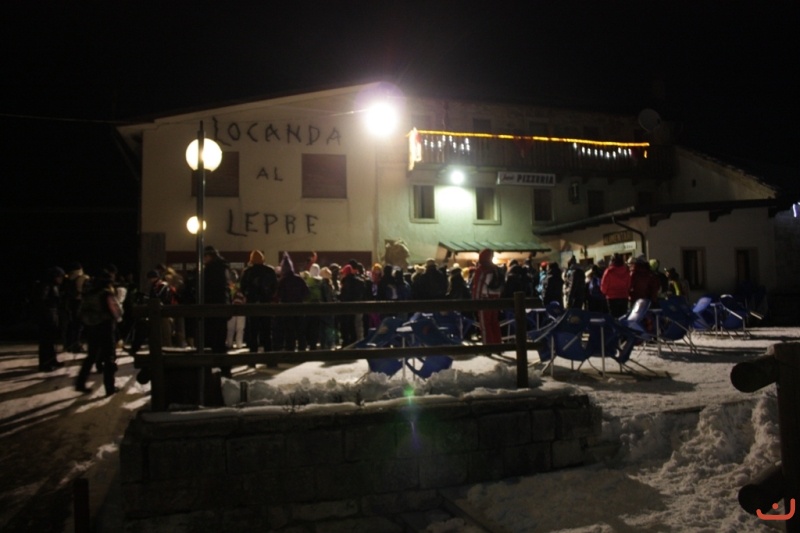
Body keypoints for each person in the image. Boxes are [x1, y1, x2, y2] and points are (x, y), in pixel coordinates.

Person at [75, 271, 123, 396]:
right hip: (106, 327)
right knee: (109, 358)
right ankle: (110, 387)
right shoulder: (107, 294)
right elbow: (117, 312)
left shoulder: (89, 293)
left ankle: (80, 382)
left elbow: (80, 312)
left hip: (91, 328)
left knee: (91, 356)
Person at [239, 250, 277, 355]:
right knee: (267, 330)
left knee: (253, 331)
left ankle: (253, 354)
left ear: (251, 260)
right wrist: (269, 296)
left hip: (252, 303)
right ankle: (269, 354)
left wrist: (248, 296)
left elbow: (243, 287)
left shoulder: (247, 272)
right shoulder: (270, 271)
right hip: (265, 303)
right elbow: (274, 287)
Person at [203, 246, 233, 375]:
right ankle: (224, 368)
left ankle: (215, 368)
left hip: (213, 308)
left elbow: (209, 288)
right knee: (220, 339)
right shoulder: (223, 268)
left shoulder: (211, 269)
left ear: (209, 256)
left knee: (213, 340)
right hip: (221, 307)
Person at [275, 252, 309, 351]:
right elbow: (306, 292)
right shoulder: (299, 279)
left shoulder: (282, 281)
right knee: (300, 330)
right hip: (299, 307)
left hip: (287, 309)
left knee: (289, 331)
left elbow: (278, 294)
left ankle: (290, 349)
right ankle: (302, 348)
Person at [35, 266, 66, 371]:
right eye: (60, 277)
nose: (61, 279)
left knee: (51, 340)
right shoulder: (46, 285)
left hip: (52, 315)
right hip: (46, 317)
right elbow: (42, 301)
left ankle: (52, 360)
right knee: (46, 341)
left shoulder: (53, 285)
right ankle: (45, 364)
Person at [470, 249, 503, 344]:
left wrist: (475, 301)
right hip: (496, 299)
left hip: (484, 299)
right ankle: (498, 345)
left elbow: (478, 286)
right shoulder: (496, 269)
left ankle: (488, 346)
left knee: (485, 325)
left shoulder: (481, 270)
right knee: (494, 324)